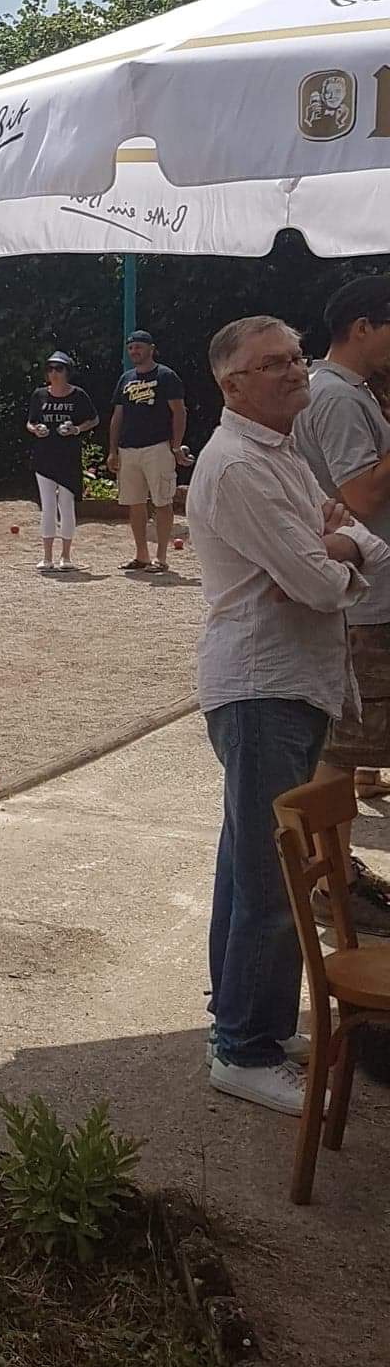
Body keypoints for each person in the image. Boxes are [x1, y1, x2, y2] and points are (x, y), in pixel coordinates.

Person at [190, 315, 390, 1115]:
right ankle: (244, 1047)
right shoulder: (237, 464)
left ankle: (239, 1020)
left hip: (292, 683)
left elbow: (362, 545)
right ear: (231, 384)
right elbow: (319, 579)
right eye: (271, 364)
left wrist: (335, 549)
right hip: (260, 687)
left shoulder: (281, 454)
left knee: (248, 864)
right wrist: (332, 555)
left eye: (295, 358)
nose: (293, 372)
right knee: (270, 875)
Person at [291, 274, 390, 936]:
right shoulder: (338, 398)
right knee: (345, 749)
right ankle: (330, 879)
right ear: (363, 327)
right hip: (363, 606)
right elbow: (359, 496)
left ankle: (337, 870)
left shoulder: (346, 393)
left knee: (350, 747)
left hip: (366, 599)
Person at [108, 328, 189, 573]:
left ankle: (161, 557)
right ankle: (141, 555)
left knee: (162, 501)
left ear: (151, 349)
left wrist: (175, 445)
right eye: (131, 348)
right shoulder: (126, 378)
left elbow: (179, 411)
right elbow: (117, 416)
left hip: (157, 447)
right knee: (134, 503)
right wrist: (113, 450)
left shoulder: (166, 376)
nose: (134, 351)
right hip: (128, 449)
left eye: (139, 347)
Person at [25, 352, 98, 573]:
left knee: (66, 506)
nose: (54, 374)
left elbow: (93, 419)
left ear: (67, 371)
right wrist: (36, 430)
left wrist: (76, 429)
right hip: (44, 458)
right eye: (50, 369)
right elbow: (30, 422)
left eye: (59, 369)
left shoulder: (78, 396)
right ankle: (47, 557)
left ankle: (66, 556)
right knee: (47, 507)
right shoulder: (39, 395)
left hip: (68, 459)